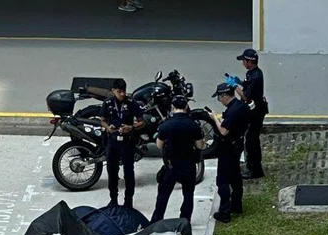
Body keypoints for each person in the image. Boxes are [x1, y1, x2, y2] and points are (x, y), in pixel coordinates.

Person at [150, 95, 206, 223]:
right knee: (188, 194)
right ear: (186, 107)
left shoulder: (166, 126)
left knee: (163, 195)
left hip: (172, 165)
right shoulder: (193, 125)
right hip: (189, 165)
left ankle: (156, 220)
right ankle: (185, 220)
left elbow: (159, 145)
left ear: (172, 107)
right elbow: (200, 145)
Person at [99, 78, 146, 208]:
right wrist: (109, 128)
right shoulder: (108, 103)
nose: (122, 94)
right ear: (113, 90)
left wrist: (131, 127)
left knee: (129, 172)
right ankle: (113, 199)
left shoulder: (131, 103)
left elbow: (142, 122)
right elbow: (102, 120)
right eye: (119, 91)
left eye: (124, 91)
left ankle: (128, 200)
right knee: (112, 172)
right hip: (113, 142)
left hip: (127, 142)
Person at [209, 83, 251, 223]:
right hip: (237, 145)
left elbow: (224, 131)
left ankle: (224, 212)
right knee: (235, 177)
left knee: (222, 181)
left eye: (220, 98)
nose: (220, 101)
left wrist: (215, 117)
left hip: (228, 148)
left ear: (225, 96)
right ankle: (237, 205)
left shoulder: (233, 111)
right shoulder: (242, 106)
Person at [232, 48, 268, 179]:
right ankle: (252, 166)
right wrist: (238, 82)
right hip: (253, 111)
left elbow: (247, 97)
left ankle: (255, 170)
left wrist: (234, 87)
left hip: (256, 112)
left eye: (244, 61)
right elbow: (247, 85)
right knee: (250, 139)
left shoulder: (256, 76)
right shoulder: (252, 73)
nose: (243, 63)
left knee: (252, 141)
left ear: (250, 62)